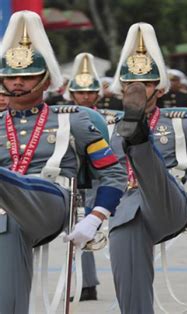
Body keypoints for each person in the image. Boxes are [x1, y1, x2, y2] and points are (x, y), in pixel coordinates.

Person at [0, 11, 126, 313]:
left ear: (46, 82)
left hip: (53, 200)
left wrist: (96, 216)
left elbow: (113, 174)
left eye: (27, 76)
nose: (18, 83)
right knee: (9, 225)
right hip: (7, 211)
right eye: (12, 76)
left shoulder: (74, 120)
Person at [107, 22, 187, 314]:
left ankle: (138, 134)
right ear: (121, 88)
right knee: (128, 280)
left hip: (171, 200)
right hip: (127, 207)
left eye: (146, 84)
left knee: (147, 157)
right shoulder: (106, 127)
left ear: (159, 89)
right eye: (130, 84)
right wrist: (94, 213)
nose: (137, 88)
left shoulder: (183, 122)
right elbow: (100, 176)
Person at [63, 52, 112, 301]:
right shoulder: (63, 118)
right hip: (76, 178)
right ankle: (84, 283)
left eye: (89, 93)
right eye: (80, 93)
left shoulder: (110, 117)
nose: (84, 97)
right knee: (77, 230)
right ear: (72, 95)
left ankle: (87, 282)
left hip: (100, 178)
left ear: (97, 94)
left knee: (90, 226)